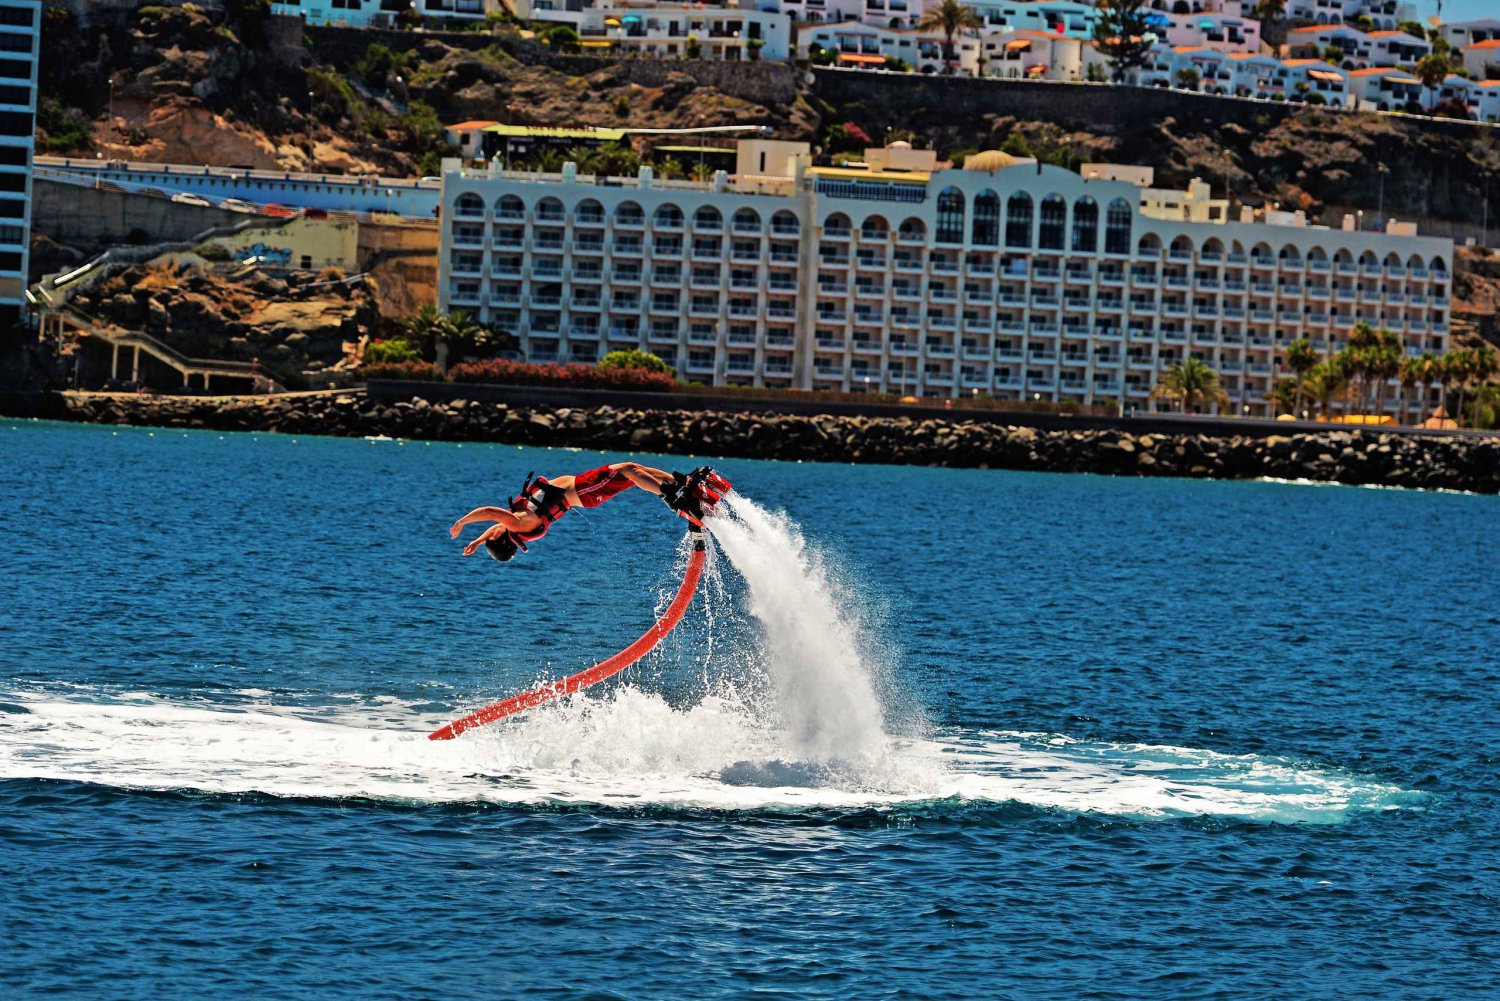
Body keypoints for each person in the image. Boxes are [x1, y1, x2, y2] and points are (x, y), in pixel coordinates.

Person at [450, 462, 730, 562]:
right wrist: (462, 522)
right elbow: (489, 512)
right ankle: (676, 497)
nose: (492, 531)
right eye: (491, 535)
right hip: (583, 491)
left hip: (583, 491)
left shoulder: (517, 529)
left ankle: (677, 485)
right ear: (502, 537)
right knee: (629, 471)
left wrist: (476, 541)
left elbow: (494, 527)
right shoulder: (517, 523)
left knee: (632, 468)